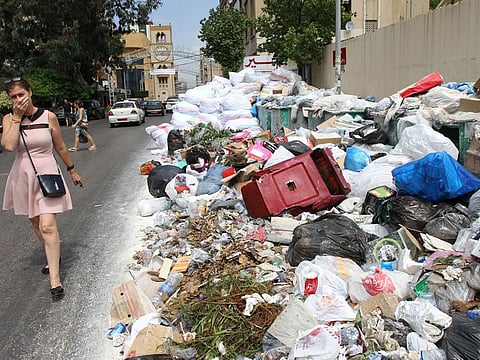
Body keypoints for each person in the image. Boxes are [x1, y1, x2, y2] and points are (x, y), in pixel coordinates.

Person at [2, 77, 84, 302]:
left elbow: (59, 146)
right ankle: (51, 253)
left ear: (30, 91)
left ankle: (55, 279)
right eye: (13, 97)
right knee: (36, 222)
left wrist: (72, 170)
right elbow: (9, 146)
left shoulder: (49, 117)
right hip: (23, 176)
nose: (18, 99)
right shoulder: (9, 119)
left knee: (48, 226)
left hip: (47, 173)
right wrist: (17, 118)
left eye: (21, 94)